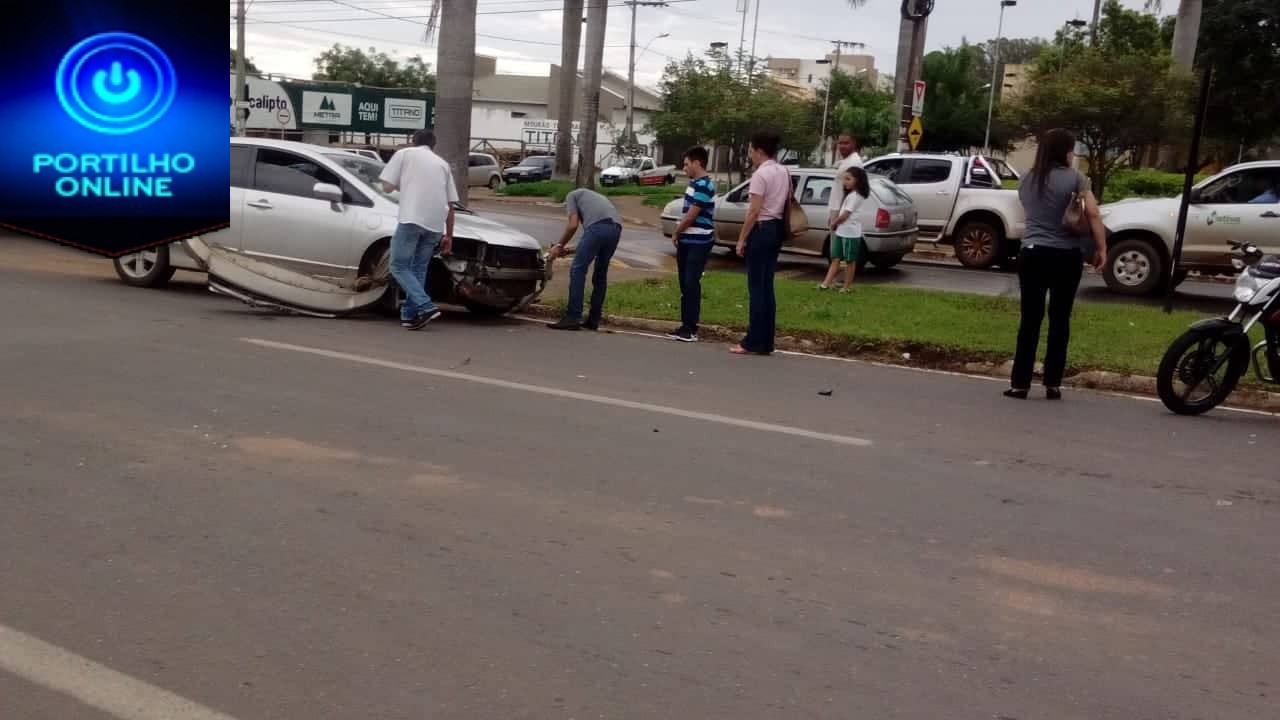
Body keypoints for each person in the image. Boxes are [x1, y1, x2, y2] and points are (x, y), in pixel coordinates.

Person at [1006, 128, 1107, 401]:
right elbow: (1094, 214)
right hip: (1067, 256)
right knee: (1060, 320)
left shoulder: (1027, 179)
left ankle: (1020, 384)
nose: (1073, 154)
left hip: (1033, 253)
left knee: (1030, 320)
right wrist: (1101, 248)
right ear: (1065, 151)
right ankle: (1052, 383)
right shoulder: (1077, 179)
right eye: (1072, 149)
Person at [378, 129, 456, 331]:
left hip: (411, 219)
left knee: (398, 266)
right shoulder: (442, 164)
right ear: (434, 145)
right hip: (435, 225)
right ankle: (411, 315)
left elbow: (386, 187)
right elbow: (451, 204)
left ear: (413, 142)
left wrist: (406, 186)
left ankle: (425, 305)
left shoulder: (404, 154)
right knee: (418, 268)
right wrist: (449, 235)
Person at [732, 130, 791, 356]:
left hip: (762, 228)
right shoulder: (783, 171)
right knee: (767, 286)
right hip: (776, 229)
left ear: (758, 151)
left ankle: (751, 341)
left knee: (756, 288)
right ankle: (766, 341)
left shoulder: (760, 175)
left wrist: (741, 238)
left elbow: (754, 210)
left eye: (750, 150)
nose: (750, 155)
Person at [547, 188, 623, 331]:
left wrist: (558, 246)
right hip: (616, 229)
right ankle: (593, 320)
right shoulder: (594, 198)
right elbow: (594, 237)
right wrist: (567, 250)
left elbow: (573, 225)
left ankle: (573, 316)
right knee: (600, 276)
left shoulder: (571, 196)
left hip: (599, 228)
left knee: (578, 270)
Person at [667, 146, 717, 342]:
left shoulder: (704, 185)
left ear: (698, 163)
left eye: (687, 164)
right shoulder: (693, 184)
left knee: (691, 282)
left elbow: (692, 215)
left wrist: (677, 231)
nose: (684, 168)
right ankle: (685, 325)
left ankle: (691, 328)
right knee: (684, 284)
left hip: (699, 240)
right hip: (687, 240)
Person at [820, 167, 871, 292]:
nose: (845, 182)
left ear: (858, 181)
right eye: (844, 179)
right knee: (836, 258)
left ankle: (846, 287)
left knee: (850, 261)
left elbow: (846, 215)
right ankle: (825, 284)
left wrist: (834, 223)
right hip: (842, 231)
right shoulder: (850, 195)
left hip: (850, 233)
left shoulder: (856, 196)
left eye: (848, 179)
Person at [826, 134, 863, 231]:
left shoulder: (854, 162)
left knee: (838, 245)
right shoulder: (847, 161)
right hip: (837, 209)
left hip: (842, 213)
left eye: (846, 143)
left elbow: (851, 193)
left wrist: (839, 218)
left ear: (854, 144)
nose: (842, 146)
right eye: (840, 143)